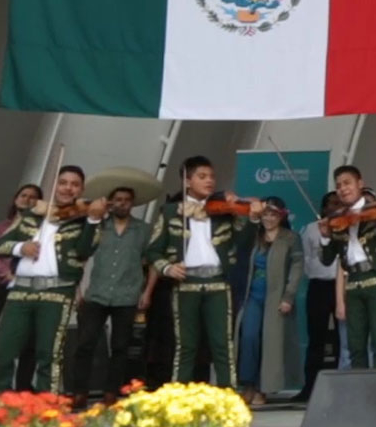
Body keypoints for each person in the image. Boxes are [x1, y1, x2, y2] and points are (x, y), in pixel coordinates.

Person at [147, 156, 263, 387]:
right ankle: (180, 394)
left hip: (218, 282)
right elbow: (152, 250)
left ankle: (227, 395)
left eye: (211, 176)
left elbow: (244, 243)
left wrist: (252, 218)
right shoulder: (170, 211)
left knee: (222, 344)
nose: (209, 181)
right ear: (187, 181)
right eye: (202, 176)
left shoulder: (224, 210)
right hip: (185, 283)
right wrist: (168, 268)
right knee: (185, 345)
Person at [0, 166, 105, 392]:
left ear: (81, 190)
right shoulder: (31, 214)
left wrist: (92, 220)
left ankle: (46, 406)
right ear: (54, 186)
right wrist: (21, 247)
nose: (68, 188)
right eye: (63, 183)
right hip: (21, 290)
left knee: (48, 354)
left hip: (57, 292)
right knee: (2, 350)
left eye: (74, 184)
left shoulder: (85, 217)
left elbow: (84, 251)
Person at [70, 186, 156, 403]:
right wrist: (78, 289)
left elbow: (153, 262)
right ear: (110, 202)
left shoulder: (143, 229)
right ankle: (80, 392)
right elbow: (81, 256)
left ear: (132, 203)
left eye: (127, 199)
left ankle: (111, 392)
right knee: (85, 344)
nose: (122, 203)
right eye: (118, 199)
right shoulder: (99, 226)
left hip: (127, 294)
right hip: (97, 293)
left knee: (120, 347)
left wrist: (147, 292)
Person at [319, 165, 376, 370]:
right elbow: (327, 260)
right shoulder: (337, 218)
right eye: (338, 186)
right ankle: (360, 389)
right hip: (352, 283)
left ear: (360, 184)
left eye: (347, 183)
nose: (342, 189)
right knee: (355, 345)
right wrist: (325, 237)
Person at [237, 198, 302, 405]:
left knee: (269, 342)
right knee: (249, 337)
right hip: (253, 295)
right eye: (265, 214)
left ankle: (261, 388)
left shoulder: (290, 238)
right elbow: (239, 247)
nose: (268, 219)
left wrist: (288, 296)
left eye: (273, 215)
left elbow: (297, 268)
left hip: (276, 296)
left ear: (281, 216)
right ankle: (247, 384)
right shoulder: (255, 235)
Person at [0, 184, 41, 390]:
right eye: (23, 195)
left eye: (33, 197)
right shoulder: (0, 228)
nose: (27, 199)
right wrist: (7, 274)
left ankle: (24, 388)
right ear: (15, 199)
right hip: (4, 288)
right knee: (2, 340)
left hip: (31, 288)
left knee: (30, 342)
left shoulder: (41, 229)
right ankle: (0, 387)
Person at [296, 191, 347, 401]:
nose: (335, 207)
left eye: (339, 203)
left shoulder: (346, 226)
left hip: (340, 286)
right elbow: (306, 257)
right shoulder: (311, 229)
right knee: (316, 338)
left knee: (342, 338)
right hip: (318, 285)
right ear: (324, 208)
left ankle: (339, 389)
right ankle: (310, 387)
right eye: (331, 204)